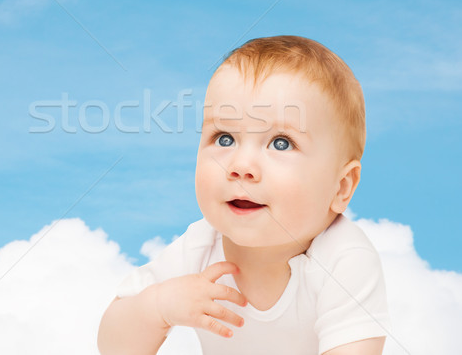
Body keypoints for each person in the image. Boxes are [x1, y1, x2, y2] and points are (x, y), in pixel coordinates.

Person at [97, 36, 390, 355]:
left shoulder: (344, 259)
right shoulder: (199, 247)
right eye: (224, 139)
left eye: (281, 143)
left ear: (341, 186)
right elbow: (114, 347)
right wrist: (158, 307)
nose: (241, 166)